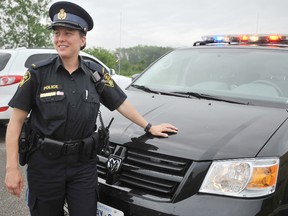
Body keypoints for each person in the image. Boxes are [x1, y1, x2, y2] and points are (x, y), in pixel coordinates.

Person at [4, 1, 178, 216]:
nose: (60, 39)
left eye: (68, 33)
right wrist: (12, 168)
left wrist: (149, 126)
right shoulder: (38, 74)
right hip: (45, 166)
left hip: (83, 167)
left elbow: (121, 103)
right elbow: (16, 122)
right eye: (57, 33)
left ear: (83, 39)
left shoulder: (95, 74)